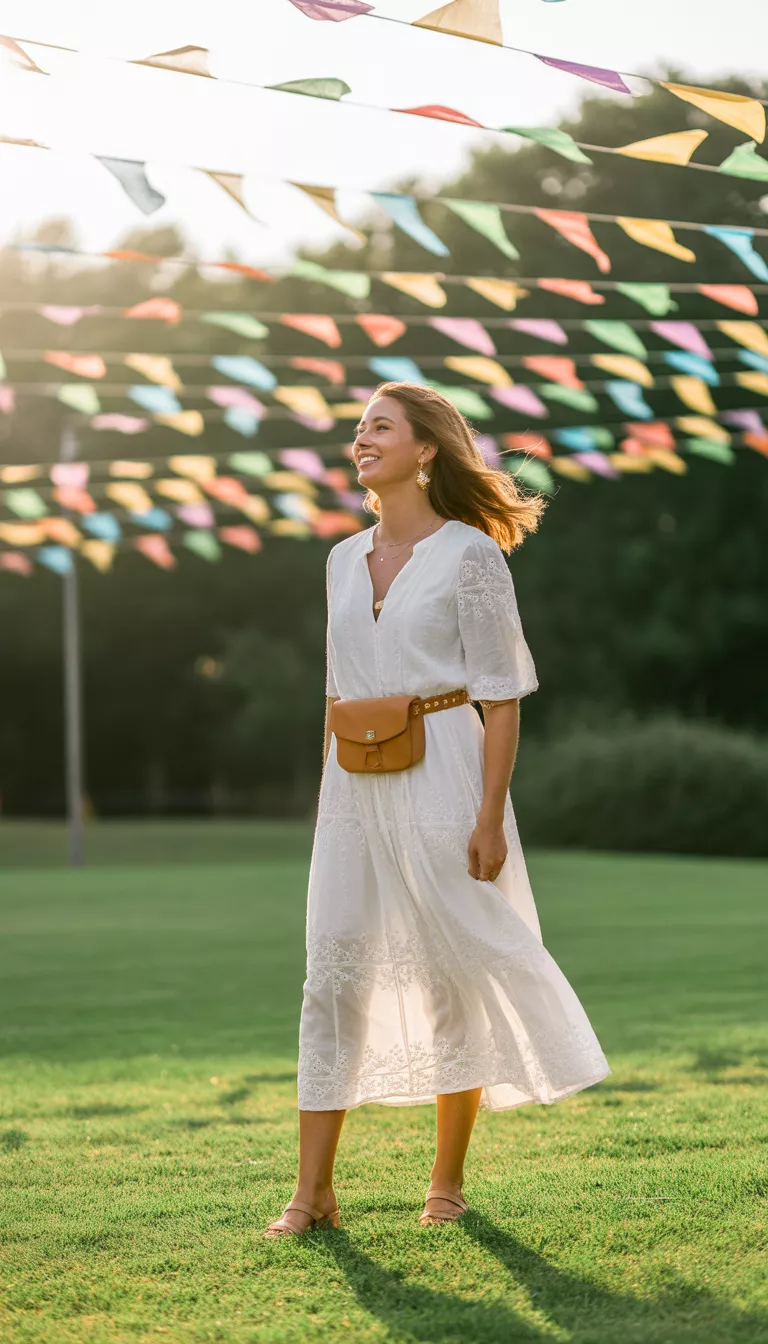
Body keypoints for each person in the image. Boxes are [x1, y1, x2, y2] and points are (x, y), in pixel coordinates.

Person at [264, 382, 609, 1237]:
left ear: (425, 451)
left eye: (379, 427)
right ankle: (312, 1196)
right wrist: (326, 799)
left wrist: (489, 817)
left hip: (446, 767)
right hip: (350, 784)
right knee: (331, 973)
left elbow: (501, 696)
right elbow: (336, 688)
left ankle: (446, 1184)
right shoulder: (342, 558)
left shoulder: (470, 556)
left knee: (455, 968)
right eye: (355, 430)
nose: (360, 439)